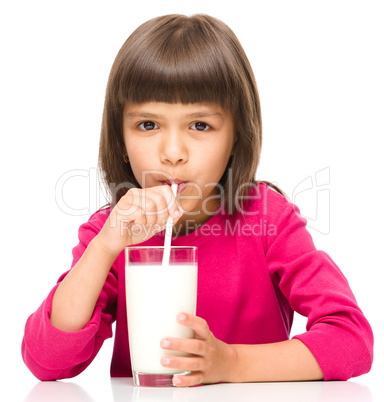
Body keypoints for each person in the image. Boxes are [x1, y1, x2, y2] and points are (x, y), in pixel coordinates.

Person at [22, 14, 373, 386]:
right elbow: (46, 361)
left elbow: (351, 340)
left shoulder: (267, 218)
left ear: (236, 136)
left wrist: (231, 363)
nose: (172, 152)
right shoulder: (112, 233)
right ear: (120, 139)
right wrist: (103, 248)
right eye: (148, 125)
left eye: (200, 125)